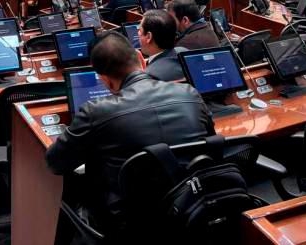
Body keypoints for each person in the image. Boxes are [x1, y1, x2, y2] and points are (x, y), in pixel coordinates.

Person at [45, 31, 214, 234]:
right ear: (142, 59)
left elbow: (55, 163)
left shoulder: (95, 111)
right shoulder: (190, 94)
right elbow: (210, 143)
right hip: (193, 209)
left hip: (130, 225)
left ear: (105, 81)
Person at [140, 10, 184, 81]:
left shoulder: (149, 77)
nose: (138, 33)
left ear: (149, 37)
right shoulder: (183, 52)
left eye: (140, 30)